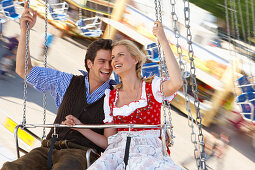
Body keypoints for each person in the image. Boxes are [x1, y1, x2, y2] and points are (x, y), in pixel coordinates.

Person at [2, 1, 114, 170]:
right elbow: (25, 71)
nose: (107, 67)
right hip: (49, 147)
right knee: (11, 167)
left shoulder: (115, 96)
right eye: (102, 61)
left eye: (111, 62)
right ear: (89, 63)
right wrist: (25, 31)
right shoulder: (66, 81)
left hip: (81, 154)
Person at [63, 21, 183, 169]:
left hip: (147, 153)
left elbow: (177, 82)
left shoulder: (152, 88)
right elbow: (108, 141)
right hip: (117, 153)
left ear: (135, 59)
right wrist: (80, 126)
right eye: (113, 57)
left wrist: (163, 41)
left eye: (120, 55)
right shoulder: (111, 98)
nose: (115, 60)